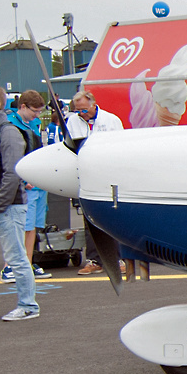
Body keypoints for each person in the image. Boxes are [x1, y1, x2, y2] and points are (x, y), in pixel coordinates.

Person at [0, 84, 39, 321]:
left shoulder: (8, 132)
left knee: (16, 257)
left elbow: (13, 172)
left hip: (6, 206)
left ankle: (28, 305)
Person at [68, 89, 123, 275]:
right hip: (85, 175)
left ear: (93, 104)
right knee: (89, 218)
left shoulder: (111, 120)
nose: (81, 114)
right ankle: (94, 259)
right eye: (78, 111)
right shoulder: (72, 122)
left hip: (107, 175)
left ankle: (118, 258)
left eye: (84, 110)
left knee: (111, 218)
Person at [1, 90, 52, 283]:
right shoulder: (9, 126)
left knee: (32, 227)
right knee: (21, 226)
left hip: (37, 183)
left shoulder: (35, 124)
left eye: (40, 112)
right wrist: (22, 179)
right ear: (22, 106)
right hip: (23, 184)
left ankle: (27, 263)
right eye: (35, 111)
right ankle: (10, 267)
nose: (37, 115)